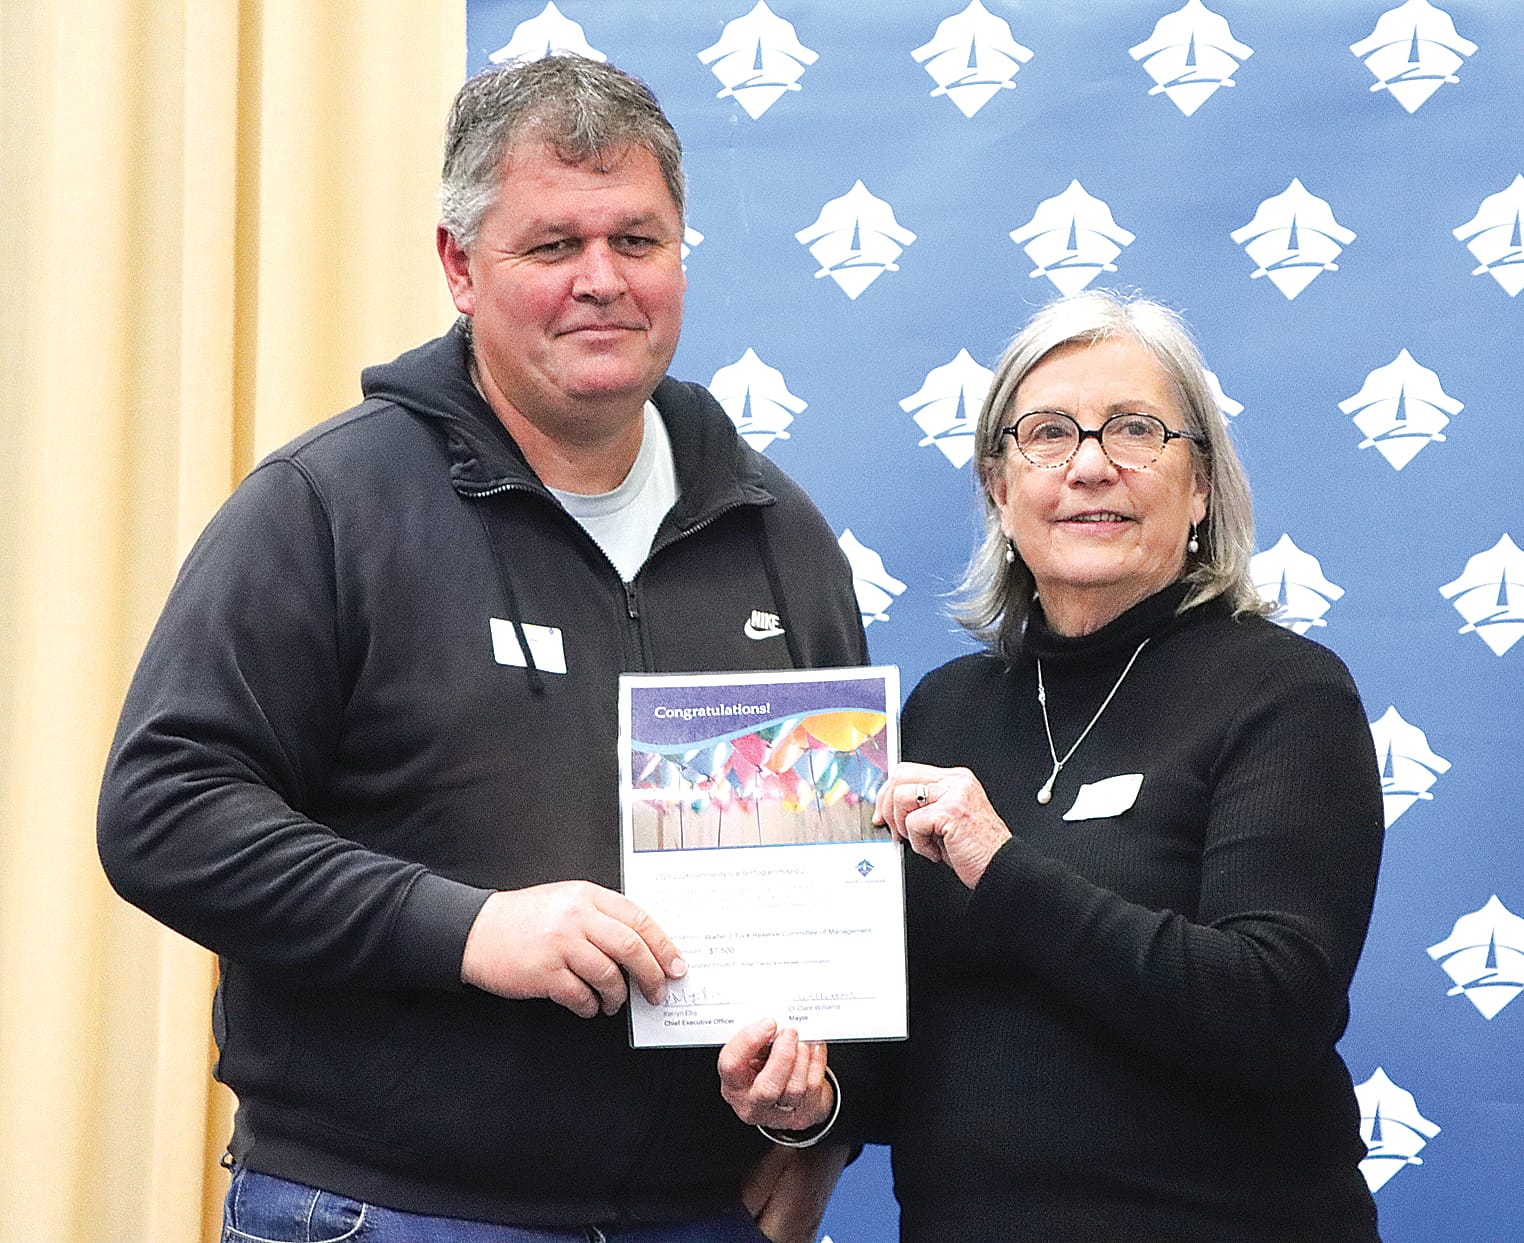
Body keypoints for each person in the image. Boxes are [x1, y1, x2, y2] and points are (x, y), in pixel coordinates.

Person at [97, 55, 865, 1243]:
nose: (601, 282)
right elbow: (162, 810)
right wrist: (466, 928)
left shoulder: (778, 535)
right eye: (552, 246)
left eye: (638, 241)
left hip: (692, 1212)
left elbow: (832, 897)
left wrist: (811, 1110)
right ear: (461, 267)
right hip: (386, 1207)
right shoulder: (326, 505)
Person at [721, 290, 1385, 1241]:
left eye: (1134, 430)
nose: (1088, 465)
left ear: (1200, 484)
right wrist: (810, 1095)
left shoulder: (1285, 694)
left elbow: (1268, 1013)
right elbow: (910, 1039)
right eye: (1046, 434)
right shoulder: (945, 709)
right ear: (999, 487)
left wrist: (1001, 864)